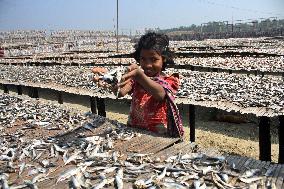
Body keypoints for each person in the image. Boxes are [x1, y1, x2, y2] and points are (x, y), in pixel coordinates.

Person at [92, 32, 184, 138]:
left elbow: (161, 94)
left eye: (154, 59)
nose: (148, 65)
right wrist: (109, 79)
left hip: (159, 135)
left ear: (164, 59)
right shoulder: (136, 78)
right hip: (134, 131)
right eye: (143, 59)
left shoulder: (170, 80)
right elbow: (120, 92)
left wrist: (140, 76)